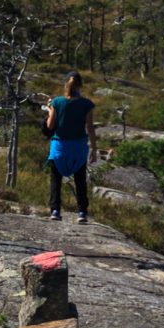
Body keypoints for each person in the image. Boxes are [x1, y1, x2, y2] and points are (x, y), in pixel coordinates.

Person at [41, 72, 99, 223]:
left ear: (65, 84)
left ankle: (55, 210)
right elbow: (90, 129)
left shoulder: (57, 102)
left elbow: (50, 125)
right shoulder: (86, 104)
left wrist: (49, 110)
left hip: (59, 147)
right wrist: (94, 149)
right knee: (80, 181)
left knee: (56, 180)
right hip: (78, 148)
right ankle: (82, 213)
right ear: (80, 85)